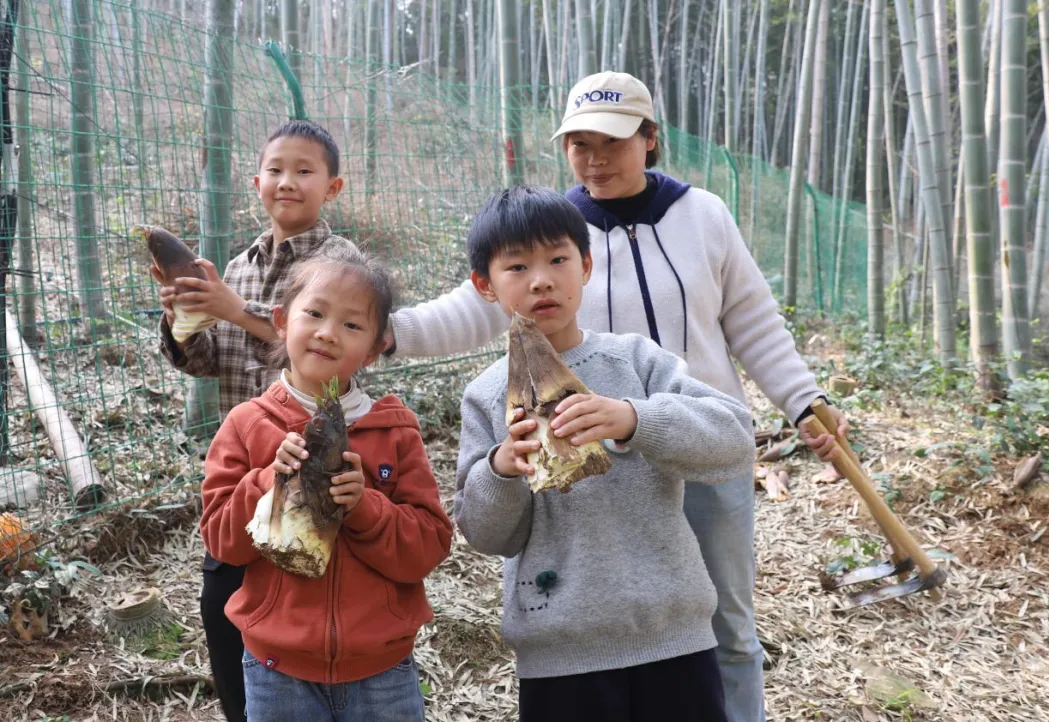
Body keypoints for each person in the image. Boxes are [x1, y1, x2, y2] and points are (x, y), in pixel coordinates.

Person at [386, 72, 850, 720]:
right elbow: (468, 311)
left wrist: (801, 399)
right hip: (593, 503)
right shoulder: (556, 230)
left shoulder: (702, 215)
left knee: (724, 625)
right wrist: (370, 330)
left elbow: (753, 321)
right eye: (578, 143)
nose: (594, 157)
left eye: (611, 140)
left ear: (650, 138)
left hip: (693, 435)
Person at [455, 185, 756, 721]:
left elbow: (734, 440)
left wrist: (636, 419)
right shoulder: (486, 395)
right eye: (517, 267)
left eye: (558, 259)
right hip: (560, 656)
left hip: (674, 638)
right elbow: (485, 534)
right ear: (485, 285)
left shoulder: (635, 362)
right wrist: (501, 469)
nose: (542, 279)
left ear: (587, 265)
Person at [154, 119, 356, 721]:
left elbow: (324, 342)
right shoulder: (237, 267)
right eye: (275, 170)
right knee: (224, 602)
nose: (286, 182)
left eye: (304, 171)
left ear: (333, 187)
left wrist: (232, 308)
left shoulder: (341, 266)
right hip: (247, 471)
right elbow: (209, 359)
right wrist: (182, 319)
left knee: (309, 611)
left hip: (313, 473)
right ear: (256, 181)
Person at [200, 244, 453, 721]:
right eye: (314, 312)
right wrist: (265, 484)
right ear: (280, 320)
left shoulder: (395, 431)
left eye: (352, 325)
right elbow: (221, 542)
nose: (328, 333)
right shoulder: (248, 425)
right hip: (278, 669)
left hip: (382, 669)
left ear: (377, 349)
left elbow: (429, 545)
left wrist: (366, 506)